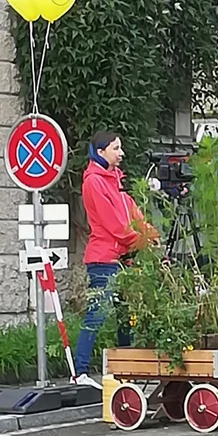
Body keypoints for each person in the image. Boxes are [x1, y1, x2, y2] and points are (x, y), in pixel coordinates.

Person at [73, 131, 155, 388]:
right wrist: (143, 241)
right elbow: (116, 226)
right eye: (116, 148)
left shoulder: (115, 181)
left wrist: (151, 234)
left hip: (122, 258)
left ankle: (126, 370)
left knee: (125, 315)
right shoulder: (94, 182)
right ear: (100, 152)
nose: (121, 153)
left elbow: (134, 214)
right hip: (103, 259)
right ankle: (79, 372)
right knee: (97, 315)